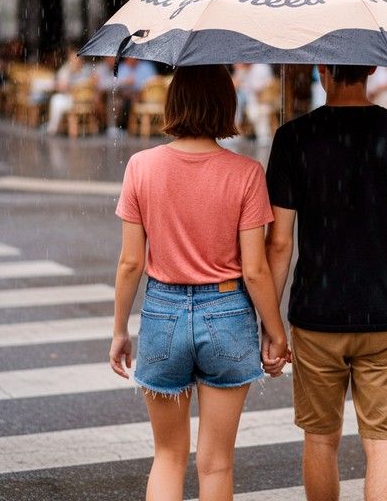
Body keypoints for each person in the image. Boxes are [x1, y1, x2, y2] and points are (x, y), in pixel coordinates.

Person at [109, 64, 289, 501]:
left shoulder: (141, 167)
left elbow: (131, 262)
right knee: (216, 463)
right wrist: (275, 330)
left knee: (168, 456)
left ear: (174, 103)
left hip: (162, 313)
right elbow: (255, 269)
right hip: (227, 314)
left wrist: (119, 330)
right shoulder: (246, 173)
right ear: (226, 105)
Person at [262, 64, 387, 501]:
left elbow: (279, 243)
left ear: (323, 68)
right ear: (373, 68)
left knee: (321, 439)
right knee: (383, 443)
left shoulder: (293, 137)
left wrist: (270, 324)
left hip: (317, 314)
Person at [45, 47, 95, 135]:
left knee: (56, 100)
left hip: (82, 102)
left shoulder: (87, 69)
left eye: (76, 58)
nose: (75, 61)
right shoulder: (67, 70)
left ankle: (53, 128)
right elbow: (61, 86)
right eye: (73, 59)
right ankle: (54, 127)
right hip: (78, 101)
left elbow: (94, 81)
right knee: (56, 99)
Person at [232, 63, 275, 145]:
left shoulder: (261, 68)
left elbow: (264, 86)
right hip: (245, 96)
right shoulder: (241, 69)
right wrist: (241, 72)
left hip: (260, 97)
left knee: (253, 109)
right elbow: (233, 86)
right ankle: (236, 130)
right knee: (235, 100)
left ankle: (262, 136)